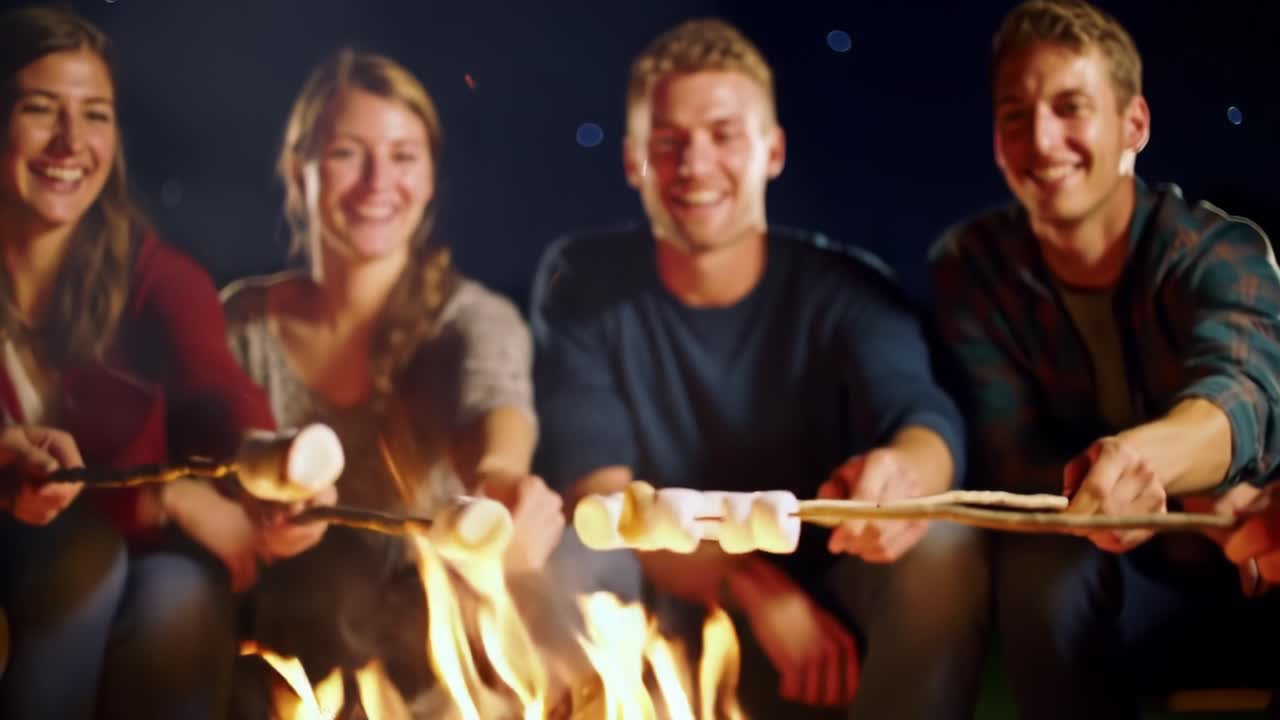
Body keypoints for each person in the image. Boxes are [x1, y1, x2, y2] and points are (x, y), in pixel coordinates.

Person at [531, 18, 989, 719]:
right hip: (667, 592)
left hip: (836, 587)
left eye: (724, 134)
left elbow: (922, 419)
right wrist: (751, 579)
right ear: (633, 162)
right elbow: (603, 499)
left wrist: (903, 477)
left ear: (772, 151)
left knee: (943, 547)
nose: (695, 164)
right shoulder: (583, 283)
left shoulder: (848, 287)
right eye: (668, 142)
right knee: (574, 553)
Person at [928, 0, 1280, 715]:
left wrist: (1161, 466)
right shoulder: (973, 264)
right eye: (1015, 116)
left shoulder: (1218, 251)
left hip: (1254, 565)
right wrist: (1171, 490)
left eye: (1071, 107)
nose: (1043, 140)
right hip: (1113, 584)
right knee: (1040, 569)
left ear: (1135, 126)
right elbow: (1006, 449)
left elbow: (1242, 389)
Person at [0, 6, 327, 718]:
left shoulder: (153, 274)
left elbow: (217, 390)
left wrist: (272, 471)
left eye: (95, 116)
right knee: (80, 560)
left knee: (178, 595)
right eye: (39, 109)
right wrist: (160, 496)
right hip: (57, 551)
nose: (71, 142)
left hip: (138, 552)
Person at [221, 47, 565, 707]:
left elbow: (495, 417)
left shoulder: (472, 317)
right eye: (349, 152)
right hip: (290, 627)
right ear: (300, 172)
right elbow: (213, 454)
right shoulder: (241, 321)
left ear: (431, 176)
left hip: (434, 629)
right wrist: (255, 508)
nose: (380, 180)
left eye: (404, 155)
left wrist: (503, 493)